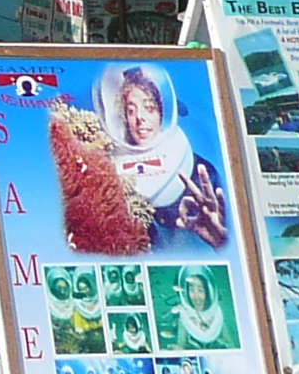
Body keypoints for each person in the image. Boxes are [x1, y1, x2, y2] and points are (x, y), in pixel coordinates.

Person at [94, 64, 230, 249]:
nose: (139, 118)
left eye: (149, 107)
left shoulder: (202, 173)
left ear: (162, 111)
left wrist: (221, 239)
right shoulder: (107, 180)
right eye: (131, 110)